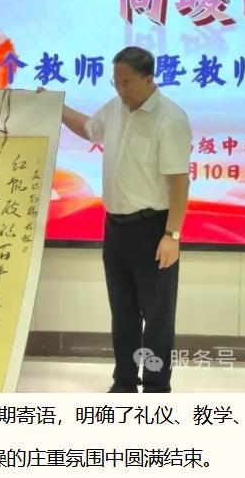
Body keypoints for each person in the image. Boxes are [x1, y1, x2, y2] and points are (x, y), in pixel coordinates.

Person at [43, 46, 192, 393]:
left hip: (153, 227)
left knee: (157, 315)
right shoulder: (116, 107)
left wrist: (172, 234)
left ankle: (156, 385)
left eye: (127, 82)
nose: (120, 89)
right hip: (116, 226)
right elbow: (89, 128)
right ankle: (124, 380)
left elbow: (179, 181)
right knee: (122, 310)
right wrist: (56, 107)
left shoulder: (170, 118)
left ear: (149, 79)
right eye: (116, 82)